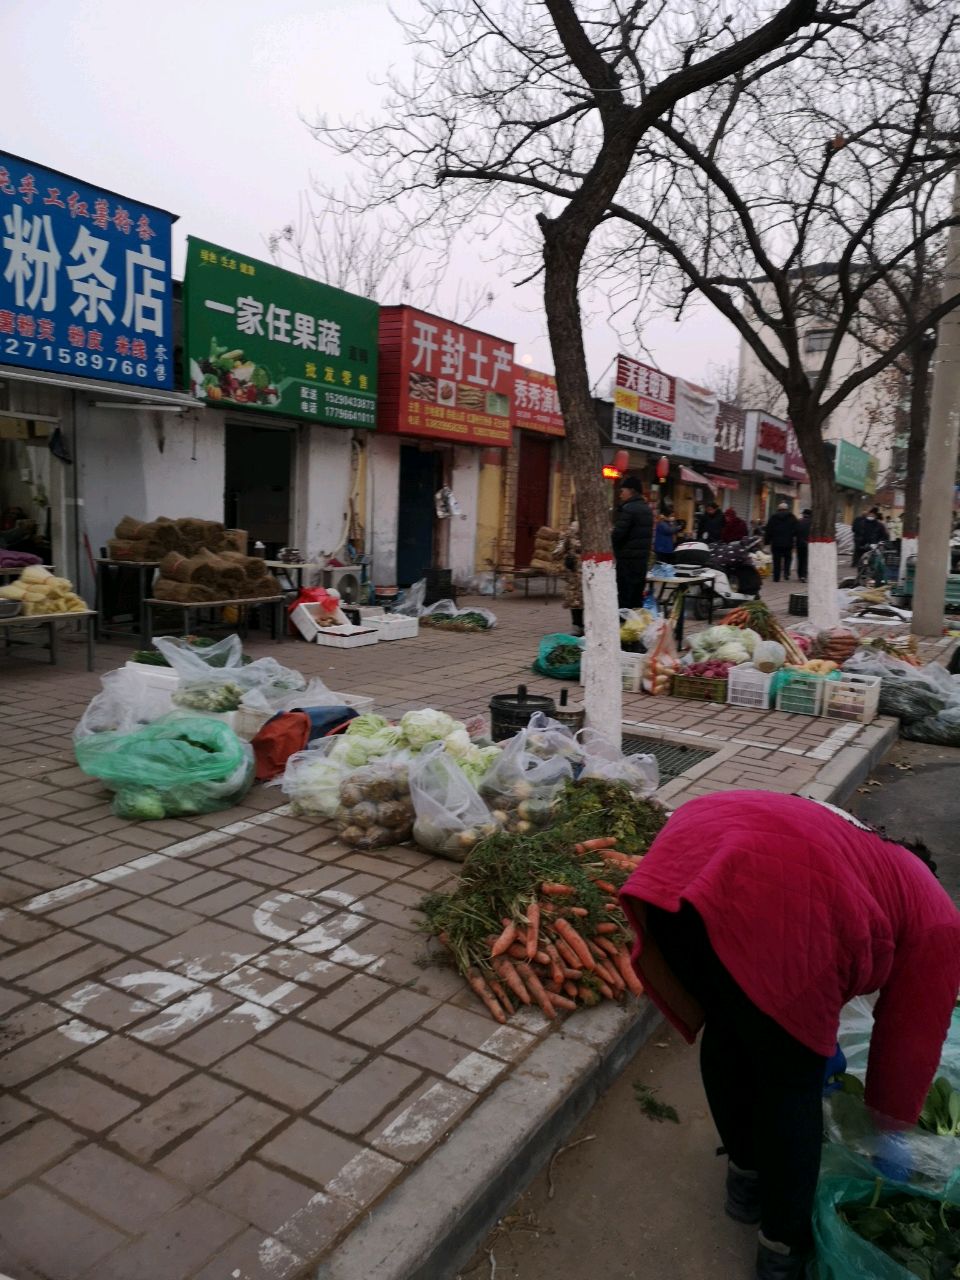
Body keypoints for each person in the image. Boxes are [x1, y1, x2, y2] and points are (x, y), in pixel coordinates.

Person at [620, 792, 960, 1280]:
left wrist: (804, 1030)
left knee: (731, 1026)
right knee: (790, 1084)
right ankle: (782, 1248)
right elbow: (911, 1039)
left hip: (682, 862)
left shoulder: (861, 845)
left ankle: (746, 1180)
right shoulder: (939, 916)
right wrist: (889, 1130)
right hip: (763, 891)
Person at [611, 473, 653, 609]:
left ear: (631, 491)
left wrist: (610, 534)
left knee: (624, 597)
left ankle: (623, 626)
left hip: (627, 561)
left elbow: (618, 534)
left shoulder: (629, 509)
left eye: (622, 491)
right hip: (641, 561)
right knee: (636, 597)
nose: (620, 494)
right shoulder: (647, 509)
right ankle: (636, 627)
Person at [553, 520, 583, 636]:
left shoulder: (569, 533)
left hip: (575, 573)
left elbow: (557, 552)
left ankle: (577, 626)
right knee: (580, 599)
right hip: (586, 572)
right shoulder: (593, 532)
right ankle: (583, 626)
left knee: (575, 600)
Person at [763, 501, 798, 583]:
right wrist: (793, 537)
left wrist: (767, 542)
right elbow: (796, 529)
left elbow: (768, 530)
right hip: (788, 543)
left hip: (776, 543)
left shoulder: (773, 517)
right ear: (787, 509)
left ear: (778, 509)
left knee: (776, 560)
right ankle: (786, 573)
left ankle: (776, 577)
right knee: (788, 559)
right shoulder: (792, 517)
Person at [795, 508, 811, 582]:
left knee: (800, 559)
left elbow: (795, 532)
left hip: (799, 543)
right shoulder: (811, 523)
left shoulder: (799, 522)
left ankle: (799, 575)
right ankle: (803, 576)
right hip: (807, 543)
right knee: (805, 560)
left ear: (804, 514)